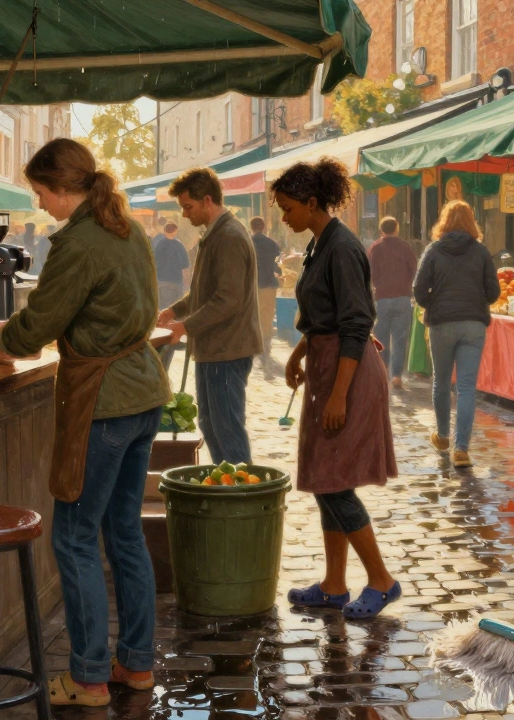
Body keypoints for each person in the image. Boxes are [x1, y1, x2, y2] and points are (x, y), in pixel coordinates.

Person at [0, 138, 169, 706]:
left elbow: (40, 323)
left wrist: (0, 344)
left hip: (104, 403)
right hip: (142, 391)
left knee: (75, 537)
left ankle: (87, 680)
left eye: (41, 193)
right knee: (124, 533)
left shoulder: (79, 241)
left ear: (64, 189)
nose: (40, 204)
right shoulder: (125, 229)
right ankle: (136, 666)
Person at [274, 157, 401, 619]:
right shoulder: (318, 244)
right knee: (327, 478)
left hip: (348, 372)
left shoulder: (342, 247)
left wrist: (339, 395)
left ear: (312, 203)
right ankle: (333, 584)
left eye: (288, 209)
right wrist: (298, 354)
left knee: (334, 483)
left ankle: (382, 581)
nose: (284, 218)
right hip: (326, 364)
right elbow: (321, 315)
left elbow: (354, 323)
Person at [157, 168, 263, 464]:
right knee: (212, 427)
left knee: (226, 431)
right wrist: (175, 310)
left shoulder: (228, 236)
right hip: (214, 349)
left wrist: (184, 327)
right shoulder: (216, 233)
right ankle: (227, 487)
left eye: (188, 206)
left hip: (227, 350)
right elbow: (204, 291)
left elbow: (228, 299)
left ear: (207, 200)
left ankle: (239, 489)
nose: (184, 214)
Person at [413, 200, 500, 468]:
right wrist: (477, 299)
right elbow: (494, 292)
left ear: (444, 221)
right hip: (473, 325)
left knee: (441, 383)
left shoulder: (433, 250)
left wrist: (435, 303)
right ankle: (462, 449)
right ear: (471, 221)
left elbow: (418, 290)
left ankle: (442, 436)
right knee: (466, 388)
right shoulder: (481, 251)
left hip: (441, 323)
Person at [368, 216, 418, 390]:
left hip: (382, 297)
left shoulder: (375, 247)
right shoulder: (405, 246)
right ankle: (396, 375)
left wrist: (377, 285)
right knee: (400, 338)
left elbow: (370, 272)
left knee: (381, 336)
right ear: (397, 229)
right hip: (403, 297)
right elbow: (414, 268)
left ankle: (383, 370)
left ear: (381, 230)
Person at [250, 216, 284, 379]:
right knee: (267, 321)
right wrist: (280, 272)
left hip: (252, 288)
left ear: (251, 228)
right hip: (269, 286)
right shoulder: (272, 244)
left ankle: (254, 352)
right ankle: (266, 356)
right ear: (263, 227)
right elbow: (276, 264)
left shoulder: (247, 242)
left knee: (253, 319)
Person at [151, 218, 190, 310]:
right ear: (176, 231)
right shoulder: (179, 245)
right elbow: (186, 267)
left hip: (161, 282)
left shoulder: (159, 245)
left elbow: (153, 263)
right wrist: (187, 285)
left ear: (165, 231)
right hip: (176, 283)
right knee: (176, 312)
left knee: (162, 311)